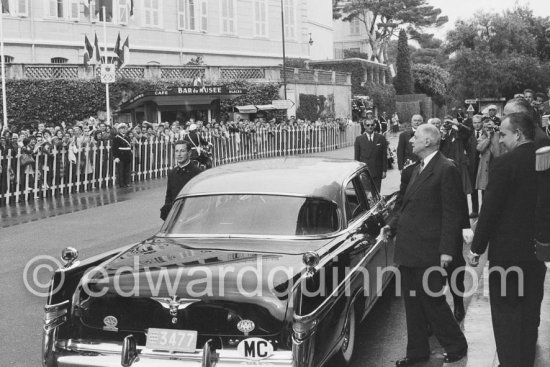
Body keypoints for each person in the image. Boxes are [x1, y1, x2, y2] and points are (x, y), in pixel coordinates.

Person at [384, 124, 468, 366]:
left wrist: (447, 251)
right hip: (409, 249)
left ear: (429, 141)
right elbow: (403, 206)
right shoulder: (415, 169)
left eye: (416, 137)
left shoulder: (445, 169)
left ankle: (456, 346)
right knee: (412, 303)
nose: (411, 141)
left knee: (433, 302)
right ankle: (417, 352)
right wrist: (391, 226)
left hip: (430, 250)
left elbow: (452, 214)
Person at [468, 113, 546, 367]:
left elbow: (490, 211)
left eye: (503, 134)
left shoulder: (505, 164)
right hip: (536, 254)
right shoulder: (545, 161)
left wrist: (477, 248)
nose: (500, 140)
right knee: (529, 315)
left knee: (507, 318)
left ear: (518, 134)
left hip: (507, 256)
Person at [160, 140, 202, 221]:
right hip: (175, 217)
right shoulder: (172, 173)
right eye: (176, 151)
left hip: (192, 217)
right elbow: (169, 196)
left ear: (189, 153)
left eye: (182, 151)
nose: (179, 154)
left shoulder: (197, 172)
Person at [354, 119, 387, 192]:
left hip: (377, 171)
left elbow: (384, 155)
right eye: (368, 125)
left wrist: (384, 170)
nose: (370, 127)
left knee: (377, 192)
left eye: (372, 125)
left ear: (374, 126)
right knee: (367, 194)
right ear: (364, 126)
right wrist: (357, 173)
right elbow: (356, 158)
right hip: (365, 172)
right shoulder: (359, 139)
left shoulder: (381, 138)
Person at [112, 123, 133, 188]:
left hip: (127, 156)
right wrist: (116, 157)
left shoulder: (127, 137)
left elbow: (129, 147)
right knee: (121, 171)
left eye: (124, 128)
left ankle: (126, 182)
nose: (123, 130)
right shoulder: (116, 138)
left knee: (127, 170)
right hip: (120, 156)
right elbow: (114, 148)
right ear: (119, 130)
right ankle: (121, 183)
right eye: (122, 128)